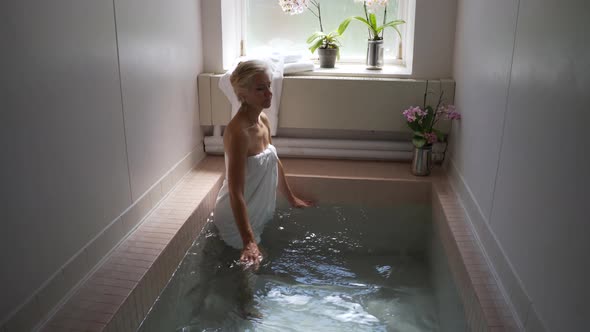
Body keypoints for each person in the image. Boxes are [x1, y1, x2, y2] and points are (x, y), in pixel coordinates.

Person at [213, 60, 312, 269]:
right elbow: (235, 191)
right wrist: (248, 241)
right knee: (251, 271)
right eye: (260, 88)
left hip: (256, 212)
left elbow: (273, 160)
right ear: (243, 94)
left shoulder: (263, 120)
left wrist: (292, 199)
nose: (269, 93)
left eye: (268, 85)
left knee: (257, 267)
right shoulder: (239, 133)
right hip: (236, 216)